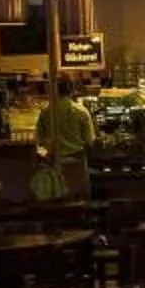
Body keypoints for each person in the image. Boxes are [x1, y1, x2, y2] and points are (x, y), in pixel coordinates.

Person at [32, 75, 94, 203]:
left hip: (54, 164)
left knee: (57, 201)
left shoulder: (46, 112)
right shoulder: (81, 111)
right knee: (79, 202)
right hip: (77, 163)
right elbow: (90, 140)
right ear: (71, 88)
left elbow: (39, 139)